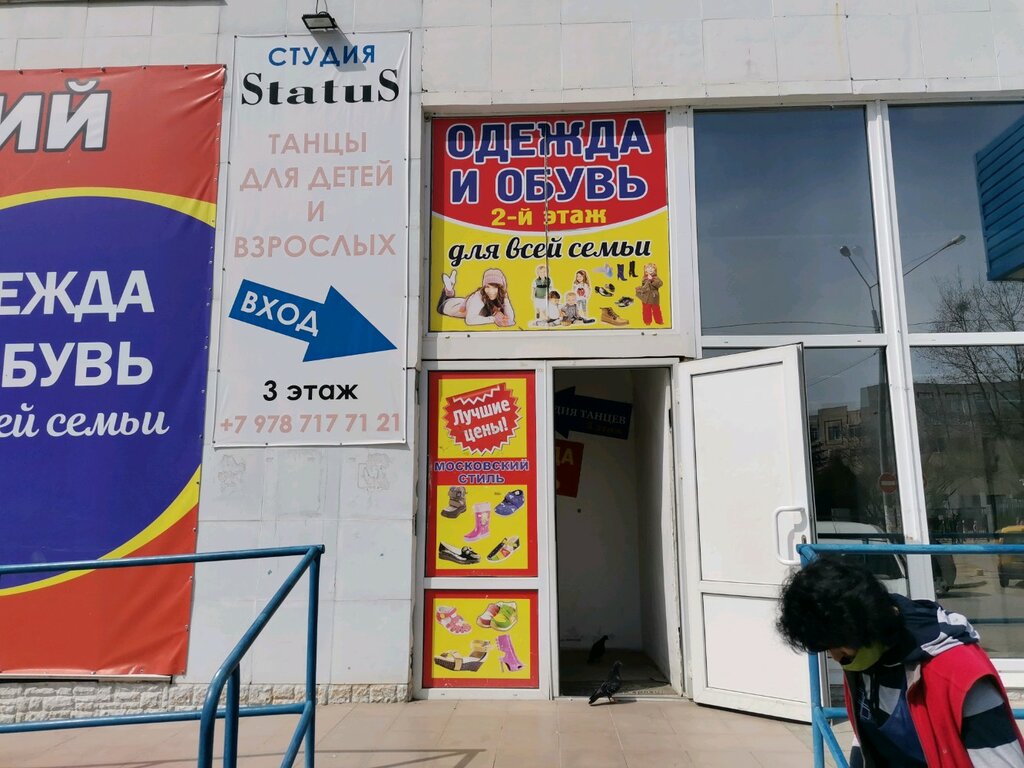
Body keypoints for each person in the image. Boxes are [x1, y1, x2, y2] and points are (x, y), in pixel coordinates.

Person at [778, 557, 1024, 767]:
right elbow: (868, 733)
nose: (835, 657)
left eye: (836, 645)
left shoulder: (959, 676)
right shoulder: (863, 656)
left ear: (866, 625)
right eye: (826, 648)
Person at [437, 268, 515, 327]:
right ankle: (449, 289)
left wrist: (505, 298)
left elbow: (510, 318)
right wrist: (493, 319)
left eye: (495, 287)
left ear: (500, 289)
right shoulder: (479, 297)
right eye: (487, 287)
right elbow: (469, 320)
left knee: (450, 296)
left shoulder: (498, 299)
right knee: (441, 305)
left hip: (459, 302)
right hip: (447, 306)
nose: (491, 291)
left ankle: (450, 287)